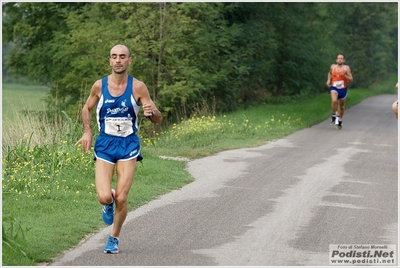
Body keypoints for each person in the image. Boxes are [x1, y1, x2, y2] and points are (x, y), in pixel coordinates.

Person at [75, 44, 162, 254]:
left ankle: (114, 238)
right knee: (105, 197)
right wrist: (87, 132)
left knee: (123, 198)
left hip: (128, 145)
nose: (118, 60)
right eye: (114, 56)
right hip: (105, 144)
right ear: (110, 61)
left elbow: (157, 119)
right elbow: (86, 108)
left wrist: (152, 113)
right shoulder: (99, 86)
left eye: (122, 56)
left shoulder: (138, 87)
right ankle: (108, 202)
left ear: (129, 60)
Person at [326, 53, 353, 130]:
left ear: (344, 60)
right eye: (338, 58)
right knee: (334, 101)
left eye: (341, 58)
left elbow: (351, 79)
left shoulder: (346, 68)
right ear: (336, 60)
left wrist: (345, 75)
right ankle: (334, 115)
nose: (340, 59)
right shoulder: (333, 67)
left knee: (341, 106)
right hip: (334, 87)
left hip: (343, 89)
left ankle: (340, 120)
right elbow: (330, 73)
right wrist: (328, 80)